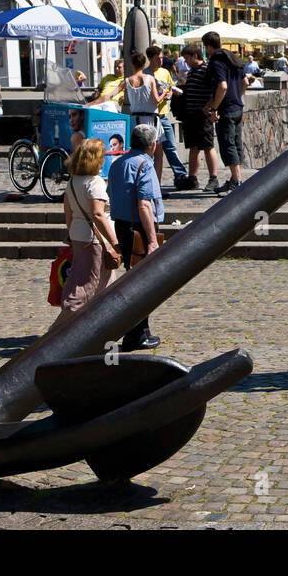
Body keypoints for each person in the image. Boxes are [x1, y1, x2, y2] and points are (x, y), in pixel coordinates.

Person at [108, 123, 164, 350]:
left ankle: (142, 331)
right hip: (139, 230)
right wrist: (152, 240)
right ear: (152, 146)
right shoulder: (145, 166)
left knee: (136, 280)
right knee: (143, 284)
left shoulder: (118, 163)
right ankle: (135, 336)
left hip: (122, 227)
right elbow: (144, 205)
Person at [55, 138, 121, 323]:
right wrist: (115, 241)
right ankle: (63, 324)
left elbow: (68, 212)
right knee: (87, 284)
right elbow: (98, 214)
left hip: (79, 235)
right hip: (94, 239)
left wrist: (72, 233)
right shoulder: (95, 182)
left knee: (104, 282)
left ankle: (102, 321)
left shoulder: (74, 181)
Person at [201, 31, 249, 197]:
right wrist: (238, 97)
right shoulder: (232, 58)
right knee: (236, 144)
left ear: (207, 46)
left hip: (226, 110)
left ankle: (237, 182)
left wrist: (214, 108)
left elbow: (222, 86)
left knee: (228, 145)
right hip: (237, 107)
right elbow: (246, 82)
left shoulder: (217, 61)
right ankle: (236, 179)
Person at [145, 45, 192, 190]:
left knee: (171, 147)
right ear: (150, 58)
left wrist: (170, 94)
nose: (161, 61)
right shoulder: (146, 74)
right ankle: (150, 178)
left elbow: (170, 88)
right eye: (158, 58)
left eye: (161, 58)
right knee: (151, 151)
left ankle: (180, 175)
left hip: (164, 115)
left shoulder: (164, 72)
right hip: (152, 116)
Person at [181, 43, 221, 193]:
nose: (185, 62)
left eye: (186, 58)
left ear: (194, 56)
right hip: (191, 115)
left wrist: (210, 107)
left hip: (203, 115)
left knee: (208, 146)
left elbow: (216, 89)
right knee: (193, 147)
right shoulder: (192, 72)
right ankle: (192, 178)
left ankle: (213, 178)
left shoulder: (206, 70)